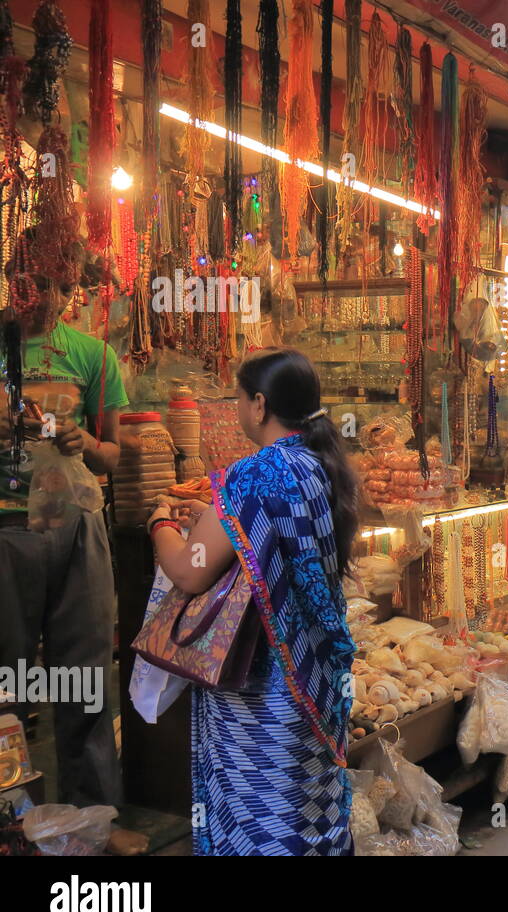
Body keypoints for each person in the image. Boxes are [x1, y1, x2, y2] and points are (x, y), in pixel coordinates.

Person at [146, 348, 358, 855]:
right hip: (315, 677)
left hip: (260, 688)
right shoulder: (321, 464)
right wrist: (211, 514)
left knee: (259, 810)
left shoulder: (253, 475)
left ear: (259, 405)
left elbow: (190, 569)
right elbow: (260, 541)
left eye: (239, 399)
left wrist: (161, 523)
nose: (238, 408)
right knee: (308, 807)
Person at [0, 230, 125, 807]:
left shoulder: (94, 355)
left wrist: (83, 441)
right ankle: (11, 813)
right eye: (32, 281)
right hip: (6, 529)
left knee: (87, 672)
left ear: (70, 287)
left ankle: (92, 814)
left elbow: (113, 455)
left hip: (77, 528)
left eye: (56, 283)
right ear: (13, 278)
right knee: (8, 675)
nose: (44, 295)